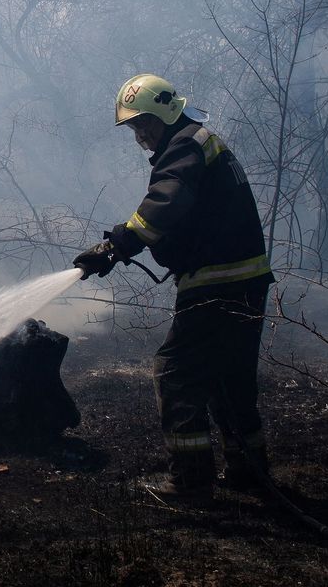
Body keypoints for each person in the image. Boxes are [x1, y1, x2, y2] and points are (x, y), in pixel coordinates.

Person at [74, 74, 274, 502]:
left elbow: (167, 202)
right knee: (231, 379)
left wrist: (117, 245)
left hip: (216, 283)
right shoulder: (202, 142)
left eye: (142, 126)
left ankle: (190, 483)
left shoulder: (185, 145)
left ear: (165, 112)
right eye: (134, 129)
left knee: (177, 373)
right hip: (246, 280)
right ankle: (249, 471)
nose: (140, 138)